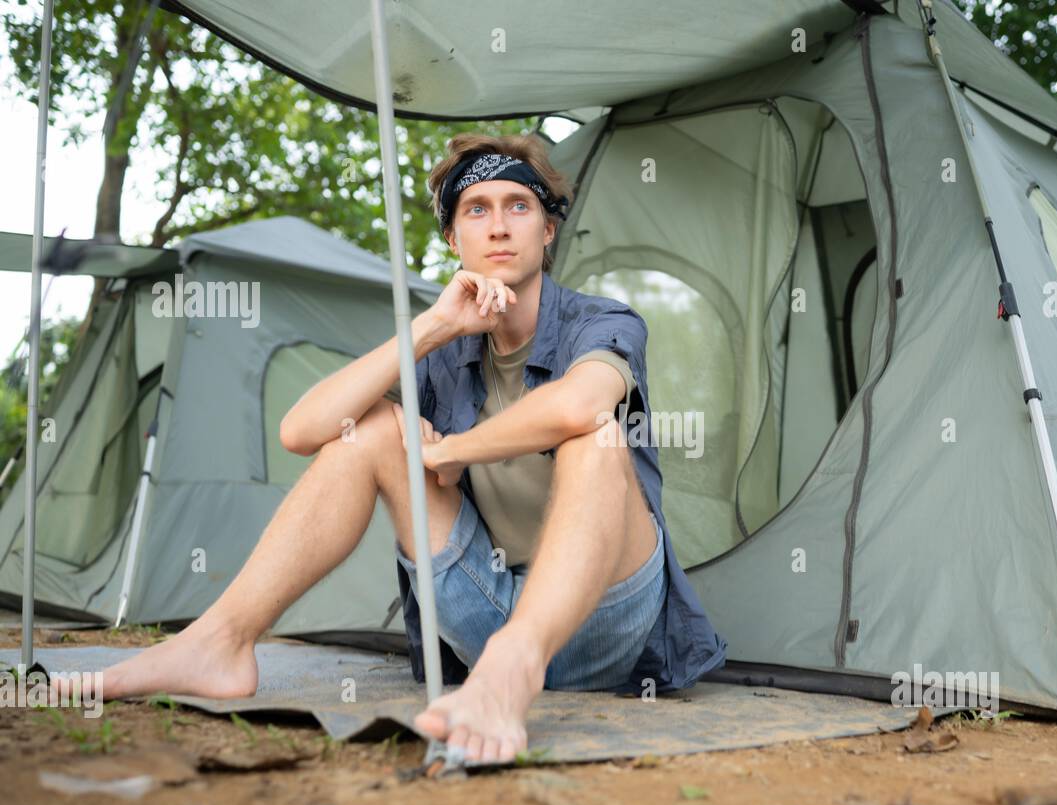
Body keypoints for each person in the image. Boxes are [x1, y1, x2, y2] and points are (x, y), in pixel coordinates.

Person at [77, 132, 726, 764]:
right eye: (477, 210)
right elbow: (301, 430)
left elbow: (580, 405)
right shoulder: (443, 352)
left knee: (599, 434)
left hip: (607, 620)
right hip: (486, 607)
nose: (498, 226)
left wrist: (451, 451)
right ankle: (218, 643)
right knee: (374, 427)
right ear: (454, 239)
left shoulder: (602, 322)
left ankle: (512, 670)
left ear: (547, 230)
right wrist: (432, 325)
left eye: (518, 206)